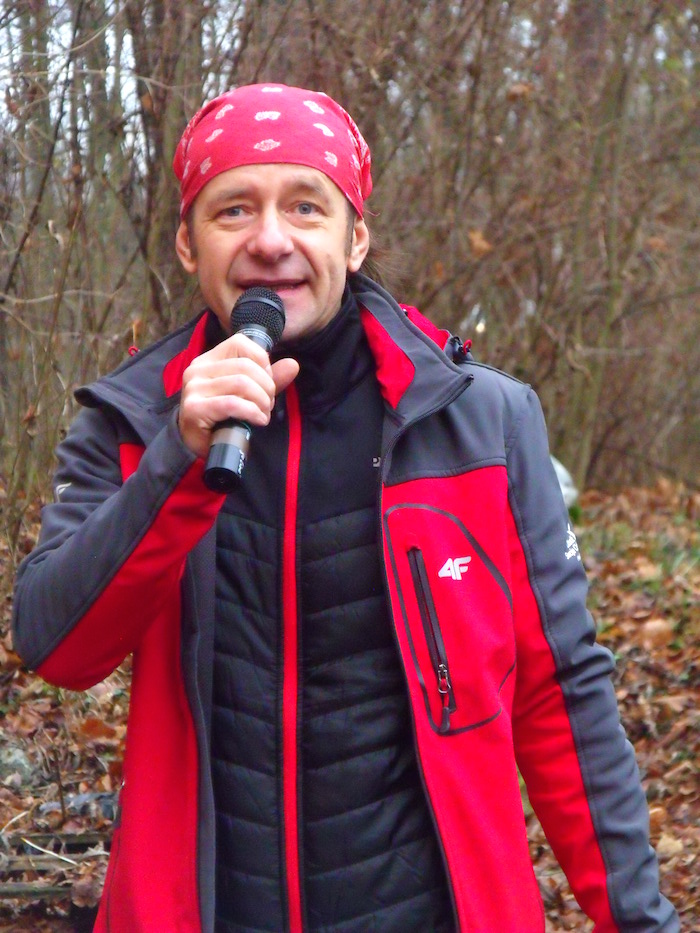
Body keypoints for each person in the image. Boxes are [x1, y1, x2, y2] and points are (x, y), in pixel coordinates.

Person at [12, 83, 677, 933]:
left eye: (306, 206)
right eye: (233, 210)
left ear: (354, 238)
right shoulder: (132, 421)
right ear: (187, 244)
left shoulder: (479, 420)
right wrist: (176, 460)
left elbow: (561, 693)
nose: (270, 240)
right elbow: (57, 646)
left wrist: (639, 920)